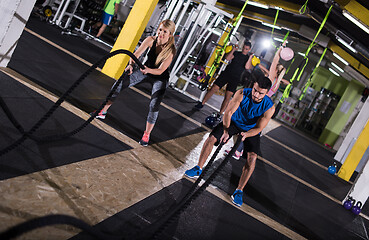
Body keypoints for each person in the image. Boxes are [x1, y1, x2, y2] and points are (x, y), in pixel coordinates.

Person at [185, 75, 275, 207]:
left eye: (260, 93)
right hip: (234, 122)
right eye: (255, 90)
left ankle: (239, 191)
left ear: (267, 93)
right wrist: (226, 131)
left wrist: (246, 134)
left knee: (252, 158)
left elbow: (259, 128)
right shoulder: (242, 93)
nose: (256, 94)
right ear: (253, 86)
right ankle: (198, 168)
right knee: (211, 138)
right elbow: (228, 113)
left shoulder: (269, 107)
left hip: (251, 129)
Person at [92, 20, 176, 146]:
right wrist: (131, 65)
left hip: (159, 77)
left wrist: (148, 70)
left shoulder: (171, 50)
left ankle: (147, 134)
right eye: (160, 30)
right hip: (145, 70)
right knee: (119, 84)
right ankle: (103, 111)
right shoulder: (150, 40)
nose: (161, 33)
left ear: (170, 34)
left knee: (154, 105)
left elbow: (160, 71)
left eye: (165, 32)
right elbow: (136, 54)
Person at [229, 43, 290, 159]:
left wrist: (280, 49)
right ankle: (240, 151)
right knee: (254, 129)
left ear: (276, 70)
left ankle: (238, 151)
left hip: (258, 104)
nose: (273, 66)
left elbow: (275, 61)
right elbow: (285, 81)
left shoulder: (271, 78)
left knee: (246, 127)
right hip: (265, 107)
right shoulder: (277, 82)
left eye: (274, 67)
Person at [194, 42, 252, 118]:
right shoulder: (237, 53)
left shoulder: (248, 59)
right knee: (213, 88)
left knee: (228, 97)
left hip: (235, 78)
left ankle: (220, 114)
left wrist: (250, 57)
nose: (244, 50)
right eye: (244, 48)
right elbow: (227, 58)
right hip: (226, 73)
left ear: (249, 49)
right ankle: (202, 103)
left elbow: (247, 67)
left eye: (246, 49)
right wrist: (233, 50)